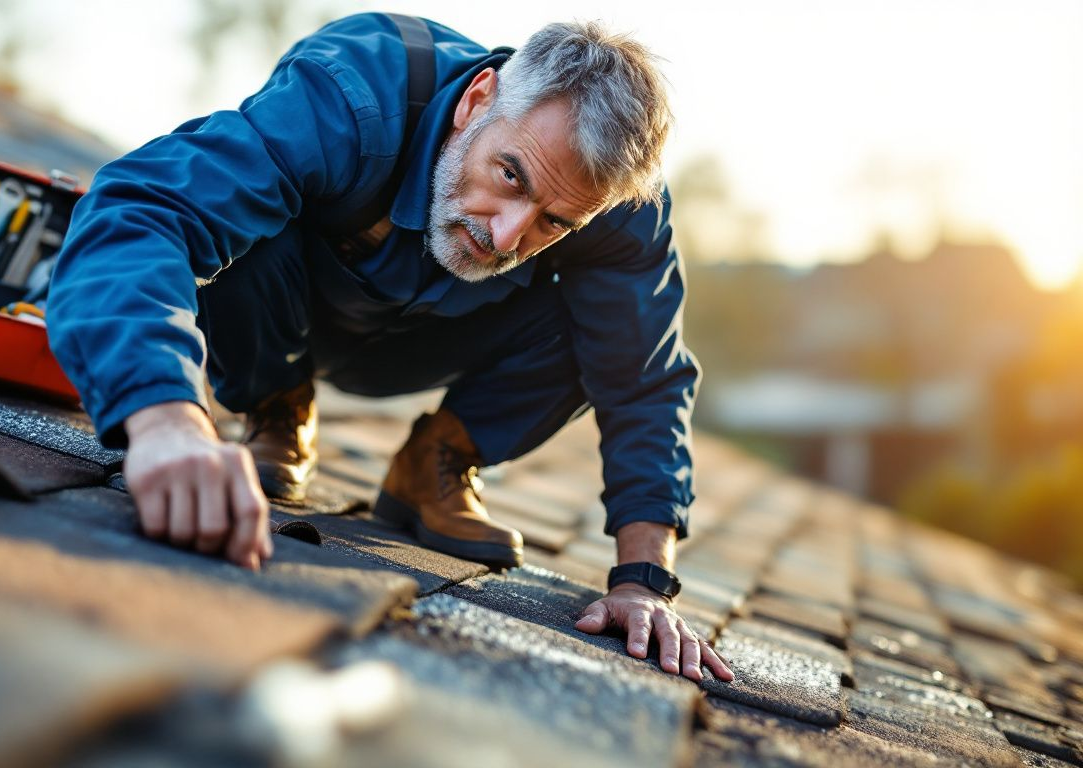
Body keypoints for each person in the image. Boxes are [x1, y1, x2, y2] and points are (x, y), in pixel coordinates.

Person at [47, 13, 732, 683]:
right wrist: (166, 420)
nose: (506, 236)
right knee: (242, 218)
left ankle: (438, 459)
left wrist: (644, 582)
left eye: (554, 222)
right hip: (289, 316)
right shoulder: (355, 91)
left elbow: (645, 379)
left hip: (432, 346)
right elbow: (144, 210)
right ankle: (276, 406)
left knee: (612, 325)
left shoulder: (618, 206)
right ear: (476, 100)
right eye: (511, 177)